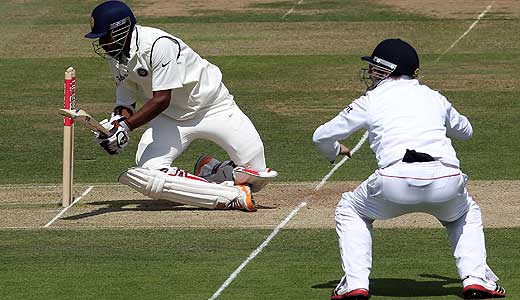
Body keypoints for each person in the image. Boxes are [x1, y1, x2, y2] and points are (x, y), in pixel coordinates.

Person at [312, 38, 506, 299]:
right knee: (465, 212)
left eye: (376, 68)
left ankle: (356, 285)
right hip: (446, 178)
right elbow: (466, 131)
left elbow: (320, 136)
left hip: (394, 181)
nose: (371, 73)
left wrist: (334, 151)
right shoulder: (434, 97)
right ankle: (475, 279)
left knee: (350, 207)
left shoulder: (370, 100)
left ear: (388, 71)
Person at [84, 1, 277, 212]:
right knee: (148, 173)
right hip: (169, 119)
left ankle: (215, 171)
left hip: (213, 107)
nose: (102, 43)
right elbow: (125, 103)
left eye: (105, 36)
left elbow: (161, 99)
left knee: (258, 176)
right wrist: (115, 126)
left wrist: (126, 127)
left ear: (122, 29)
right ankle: (232, 195)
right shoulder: (116, 58)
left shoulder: (159, 45)